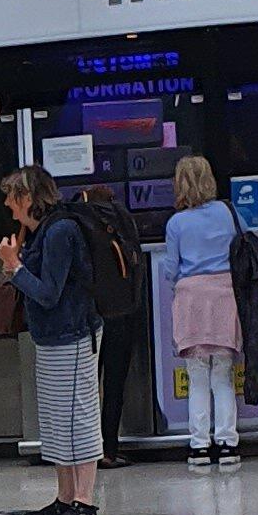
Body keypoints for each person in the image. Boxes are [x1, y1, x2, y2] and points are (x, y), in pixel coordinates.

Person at [0, 167, 102, 515]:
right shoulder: (43, 231)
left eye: (12, 196)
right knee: (58, 422)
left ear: (27, 198)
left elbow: (49, 292)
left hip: (72, 335)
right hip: (52, 338)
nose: (8, 205)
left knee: (78, 418)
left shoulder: (60, 232)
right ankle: (64, 497)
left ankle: (84, 502)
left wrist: (15, 267)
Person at [155, 150, 243, 463]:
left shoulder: (176, 223)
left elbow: (171, 268)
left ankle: (199, 445)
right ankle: (228, 442)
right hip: (224, 295)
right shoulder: (227, 212)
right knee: (223, 374)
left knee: (196, 376)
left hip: (191, 298)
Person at [78, 182, 147, 457]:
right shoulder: (122, 219)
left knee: (87, 386)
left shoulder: (79, 220)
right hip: (122, 312)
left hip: (89, 315)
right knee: (115, 384)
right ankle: (109, 449)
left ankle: (87, 452)